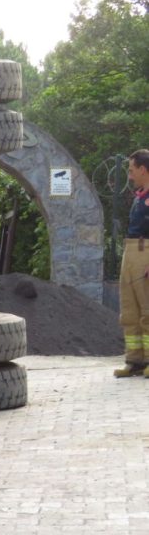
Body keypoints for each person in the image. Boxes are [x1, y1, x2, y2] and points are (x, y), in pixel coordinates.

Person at [116, 149, 149, 377]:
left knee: (148, 309)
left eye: (131, 170)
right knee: (129, 310)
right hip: (130, 252)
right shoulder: (140, 196)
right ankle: (134, 360)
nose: (129, 175)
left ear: (143, 169)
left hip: (145, 253)